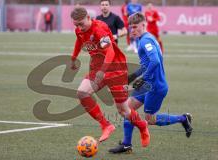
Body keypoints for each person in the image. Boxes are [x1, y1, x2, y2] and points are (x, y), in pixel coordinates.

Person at [109, 12, 193, 153]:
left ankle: (183, 118)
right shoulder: (146, 38)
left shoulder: (145, 41)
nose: (132, 30)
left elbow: (155, 61)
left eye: (135, 27)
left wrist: (143, 78)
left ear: (144, 25)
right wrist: (133, 76)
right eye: (131, 27)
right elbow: (147, 64)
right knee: (127, 109)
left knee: (150, 119)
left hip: (155, 87)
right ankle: (126, 144)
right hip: (147, 85)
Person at [70, 7, 150, 147]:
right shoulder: (79, 30)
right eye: (76, 25)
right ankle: (106, 125)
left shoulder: (99, 29)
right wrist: (73, 58)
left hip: (115, 69)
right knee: (82, 93)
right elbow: (79, 40)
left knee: (123, 110)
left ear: (89, 18)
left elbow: (110, 52)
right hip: (97, 68)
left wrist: (103, 71)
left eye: (81, 24)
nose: (79, 28)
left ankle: (142, 126)